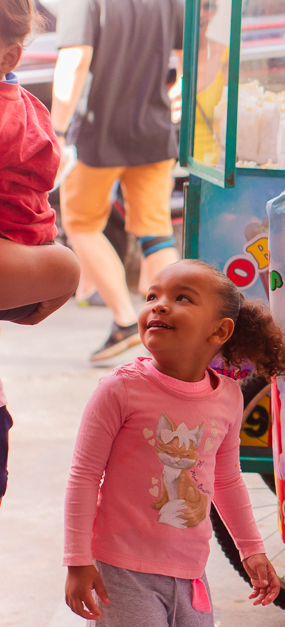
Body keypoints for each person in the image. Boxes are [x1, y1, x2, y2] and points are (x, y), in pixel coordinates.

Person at [63, 259, 285, 627]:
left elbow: (226, 479)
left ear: (220, 331)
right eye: (152, 296)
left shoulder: (228, 396)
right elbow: (84, 476)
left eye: (182, 298)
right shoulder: (119, 389)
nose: (158, 305)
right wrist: (77, 561)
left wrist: (251, 548)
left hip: (191, 570)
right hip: (123, 569)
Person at [52, 0, 184, 363]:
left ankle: (126, 322)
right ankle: (175, 331)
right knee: (155, 229)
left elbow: (75, 59)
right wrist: (179, 96)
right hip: (154, 133)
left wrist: (56, 131)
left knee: (82, 225)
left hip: (98, 136)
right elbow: (191, 55)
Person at [0, 0, 82, 506]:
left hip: (21, 256)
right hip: (31, 257)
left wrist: (61, 271)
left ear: (8, 55)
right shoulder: (29, 107)